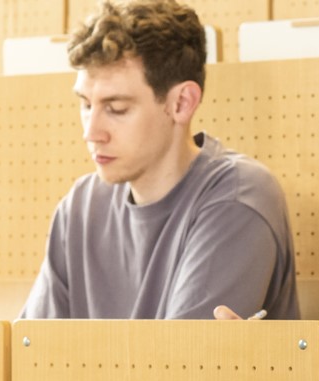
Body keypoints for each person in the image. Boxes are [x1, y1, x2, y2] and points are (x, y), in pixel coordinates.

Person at [20, 0, 300, 320]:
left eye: (116, 108)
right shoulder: (80, 206)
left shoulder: (240, 196)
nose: (91, 132)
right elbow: (31, 356)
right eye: (86, 104)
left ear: (181, 103)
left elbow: (177, 363)